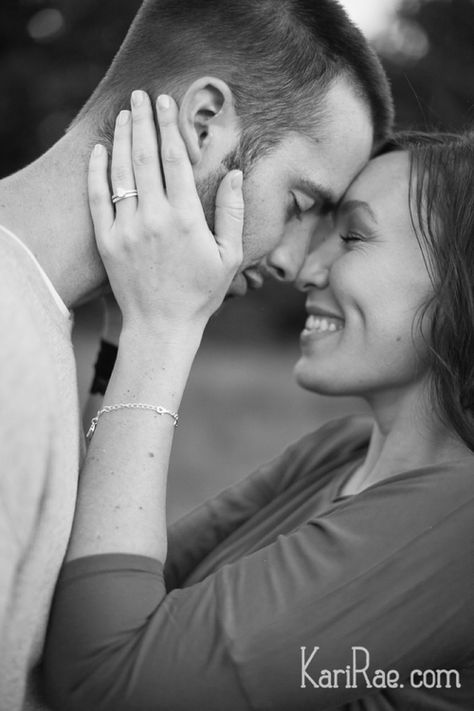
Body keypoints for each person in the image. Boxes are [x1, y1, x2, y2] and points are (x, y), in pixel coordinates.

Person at [0, 1, 393, 709]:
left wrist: (131, 341)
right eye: (302, 205)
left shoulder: (37, 322)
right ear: (204, 120)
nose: (295, 263)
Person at [41, 100, 474, 710]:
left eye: (351, 236)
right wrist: (118, 339)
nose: (302, 268)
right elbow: (88, 581)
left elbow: (106, 684)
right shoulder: (339, 452)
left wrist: (161, 328)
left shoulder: (460, 519)